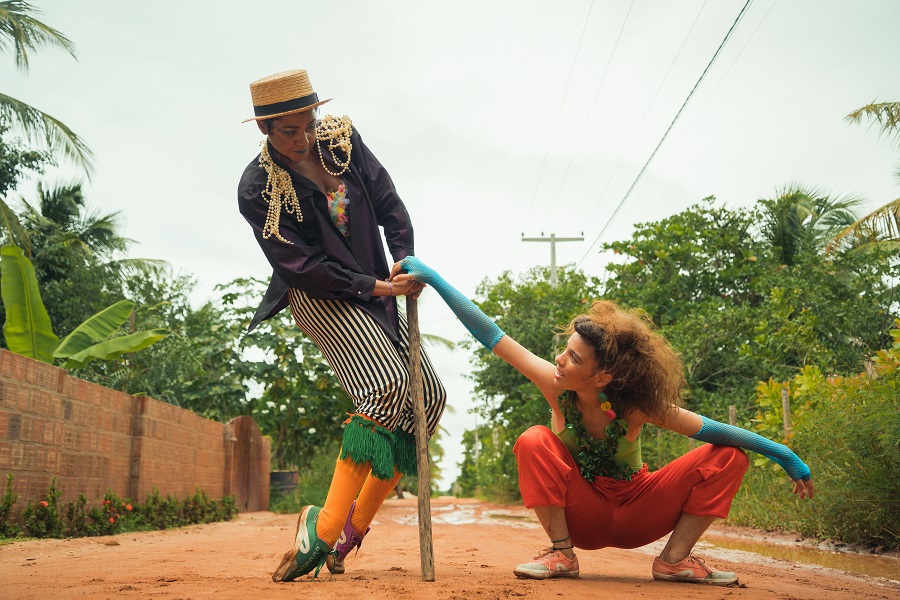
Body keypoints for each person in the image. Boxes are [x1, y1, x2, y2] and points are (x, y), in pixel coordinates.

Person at [392, 256, 814, 585]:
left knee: (728, 456)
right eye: (565, 349)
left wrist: (785, 455)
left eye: (574, 357)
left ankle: (673, 562)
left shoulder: (636, 405)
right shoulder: (554, 383)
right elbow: (490, 333)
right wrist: (433, 278)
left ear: (603, 377)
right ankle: (561, 553)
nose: (559, 359)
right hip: (583, 514)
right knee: (535, 438)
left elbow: (717, 431)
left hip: (638, 512)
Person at [238, 69, 447, 582]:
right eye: (289, 130)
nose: (304, 137)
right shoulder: (257, 188)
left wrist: (404, 260)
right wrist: (375, 287)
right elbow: (300, 265)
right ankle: (323, 527)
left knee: (429, 398)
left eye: (307, 123)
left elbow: (390, 203)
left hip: (380, 285)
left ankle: (351, 533)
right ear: (264, 129)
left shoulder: (341, 141)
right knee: (388, 385)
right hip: (320, 296)